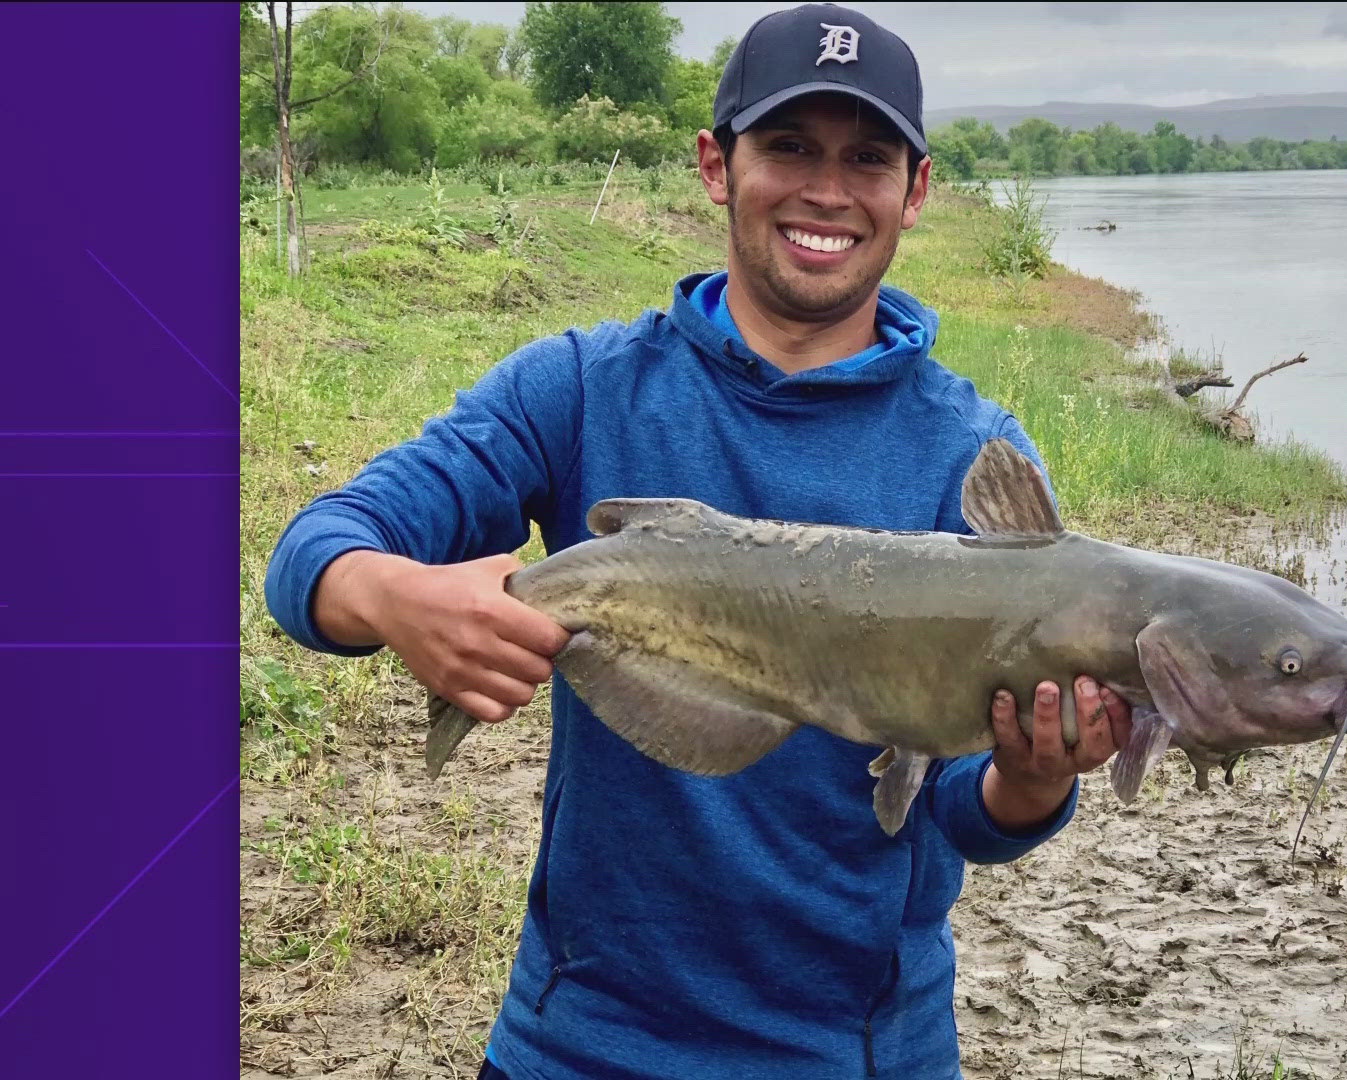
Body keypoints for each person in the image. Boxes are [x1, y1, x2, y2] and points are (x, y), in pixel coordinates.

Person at [264, 5, 1133, 1078]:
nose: (826, 189)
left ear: (915, 190)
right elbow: (317, 551)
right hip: (579, 1043)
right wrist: (396, 598)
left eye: (866, 157)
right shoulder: (579, 390)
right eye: (789, 148)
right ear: (717, 166)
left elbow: (956, 805)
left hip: (859, 1054)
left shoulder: (976, 457)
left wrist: (1034, 781)